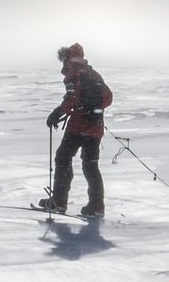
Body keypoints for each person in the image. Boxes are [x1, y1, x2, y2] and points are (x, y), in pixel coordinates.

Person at [38, 42, 111, 216]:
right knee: (91, 166)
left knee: (63, 158)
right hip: (95, 128)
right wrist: (93, 111)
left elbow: (71, 99)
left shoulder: (74, 75)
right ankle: (97, 206)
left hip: (78, 127)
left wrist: (57, 114)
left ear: (67, 59)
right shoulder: (94, 74)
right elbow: (108, 97)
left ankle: (59, 202)